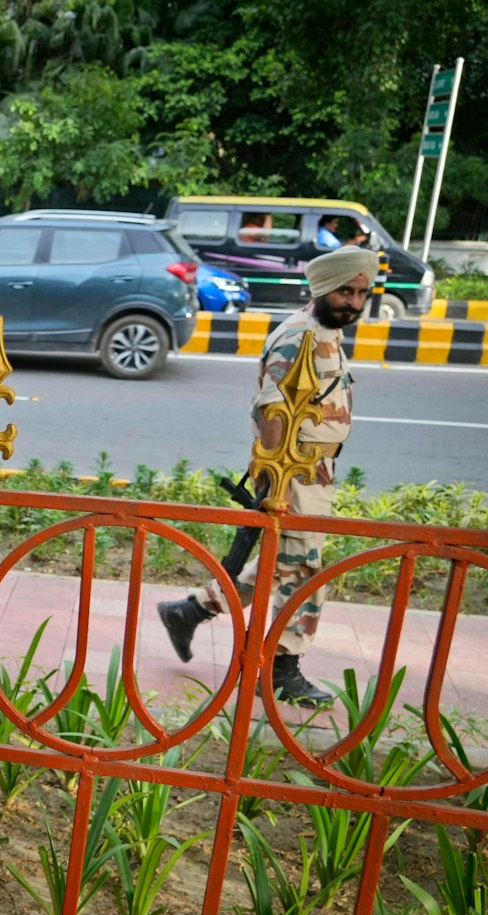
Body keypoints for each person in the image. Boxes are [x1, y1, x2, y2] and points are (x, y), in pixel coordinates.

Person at [156, 245, 379, 707]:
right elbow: (271, 407)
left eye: (362, 293)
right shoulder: (298, 335)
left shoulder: (323, 330)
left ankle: (190, 610)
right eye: (345, 291)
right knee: (302, 569)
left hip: (314, 469)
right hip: (293, 470)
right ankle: (279, 668)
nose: (354, 303)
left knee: (284, 565)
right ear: (321, 288)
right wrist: (276, 477)